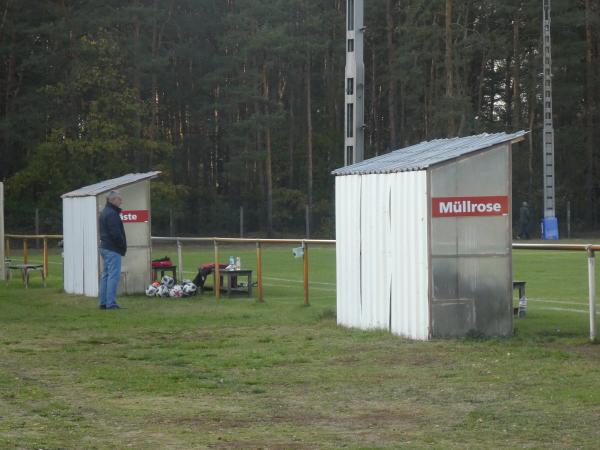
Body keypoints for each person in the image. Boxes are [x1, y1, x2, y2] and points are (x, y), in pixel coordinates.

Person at [98, 191, 127, 309]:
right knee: (113, 276)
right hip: (112, 248)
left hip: (104, 247)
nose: (121, 201)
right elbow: (115, 233)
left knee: (105, 275)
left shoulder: (105, 212)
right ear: (113, 200)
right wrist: (121, 245)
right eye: (119, 199)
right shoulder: (112, 214)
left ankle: (103, 302)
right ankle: (111, 303)